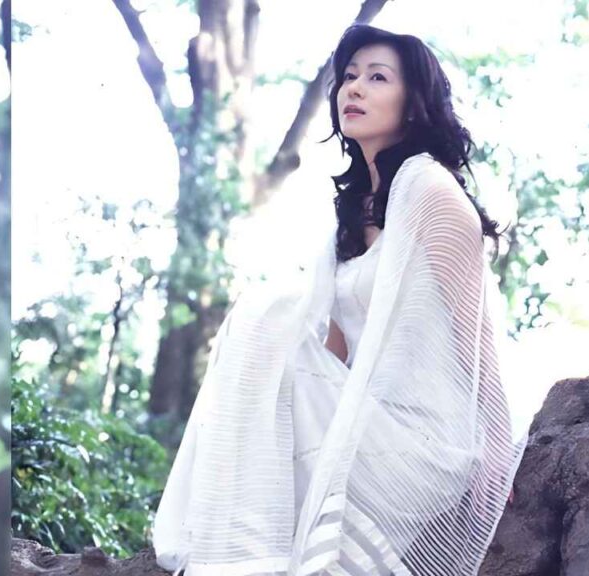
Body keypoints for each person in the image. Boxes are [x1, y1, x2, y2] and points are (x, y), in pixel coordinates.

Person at [152, 24, 527, 576]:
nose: (353, 89)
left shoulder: (430, 191)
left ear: (414, 101)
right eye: (349, 77)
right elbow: (331, 350)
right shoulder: (350, 217)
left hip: (425, 441)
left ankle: (247, 559)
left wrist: (497, 447)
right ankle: (248, 554)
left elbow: (477, 334)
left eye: (377, 78)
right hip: (361, 425)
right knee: (264, 320)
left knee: (264, 317)